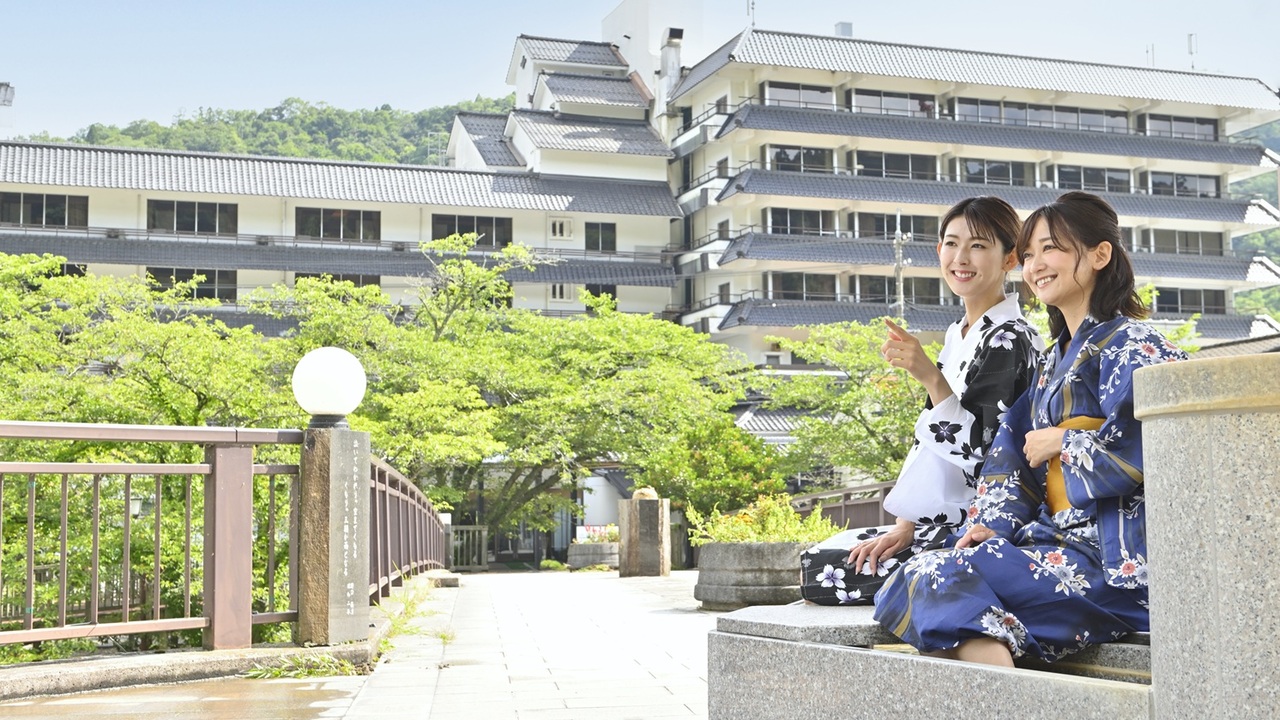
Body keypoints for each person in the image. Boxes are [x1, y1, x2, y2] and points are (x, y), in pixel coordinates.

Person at [873, 191, 1188, 665]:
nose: (1037, 264)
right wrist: (991, 526)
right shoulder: (1049, 363)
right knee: (919, 576)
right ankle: (1012, 689)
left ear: (1100, 254)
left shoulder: (1135, 343)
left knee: (937, 579)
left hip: (1114, 560)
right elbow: (1010, 459)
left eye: (1052, 248)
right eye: (1032, 252)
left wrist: (1065, 440)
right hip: (1056, 545)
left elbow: (1160, 447)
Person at [802, 196, 1042, 605]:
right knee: (824, 557)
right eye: (951, 243)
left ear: (1010, 259)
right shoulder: (961, 332)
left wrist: (930, 375)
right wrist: (904, 524)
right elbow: (933, 443)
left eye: (979, 246)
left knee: (825, 570)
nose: (961, 258)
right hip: (943, 521)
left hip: (980, 526)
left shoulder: (1009, 337)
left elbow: (985, 451)